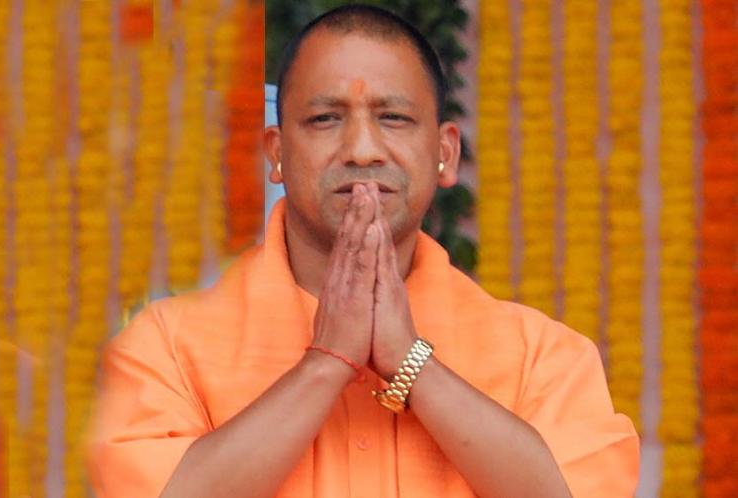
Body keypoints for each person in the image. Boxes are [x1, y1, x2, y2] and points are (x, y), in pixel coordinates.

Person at [87, 5, 639, 497]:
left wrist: (411, 363)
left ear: (445, 153)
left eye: (393, 117)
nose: (362, 150)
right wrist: (326, 362)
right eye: (325, 119)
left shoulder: (543, 358)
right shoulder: (164, 347)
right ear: (276, 154)